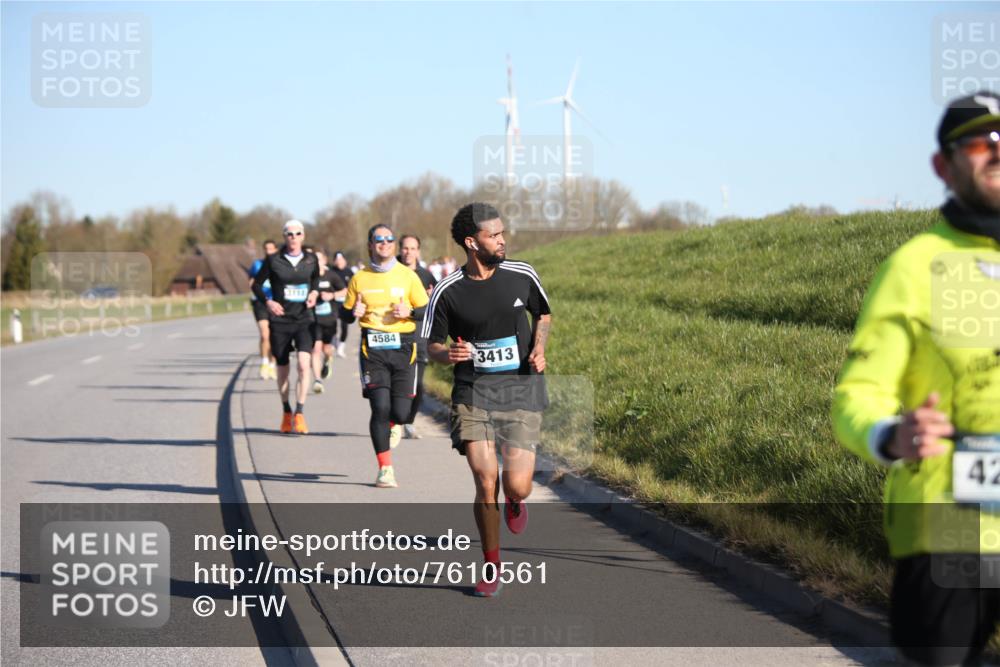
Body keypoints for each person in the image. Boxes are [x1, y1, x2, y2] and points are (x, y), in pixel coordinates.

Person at [832, 92, 1000, 666]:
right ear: (943, 166)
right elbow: (857, 394)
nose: (997, 152)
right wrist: (889, 433)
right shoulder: (913, 267)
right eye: (980, 142)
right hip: (948, 521)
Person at [425, 202, 551, 597]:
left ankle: (515, 502)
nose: (502, 240)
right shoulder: (448, 291)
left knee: (517, 486)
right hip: (472, 393)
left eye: (502, 233)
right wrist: (449, 355)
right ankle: (492, 564)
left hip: (519, 389)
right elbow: (432, 345)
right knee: (485, 480)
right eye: (494, 235)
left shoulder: (522, 274)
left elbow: (543, 315)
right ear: (471, 242)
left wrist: (539, 347)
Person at [342, 225, 429, 488]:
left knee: (401, 413)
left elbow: (427, 310)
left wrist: (410, 312)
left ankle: (395, 423)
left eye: (389, 239)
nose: (384, 243)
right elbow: (344, 314)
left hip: (404, 347)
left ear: (393, 244)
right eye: (378, 239)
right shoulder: (359, 278)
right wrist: (352, 313)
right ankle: (385, 469)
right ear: (370, 245)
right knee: (379, 407)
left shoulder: (408, 276)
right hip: (373, 349)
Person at [252, 220, 320, 435]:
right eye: (289, 234)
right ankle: (286, 411)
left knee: (303, 364)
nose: (293, 237)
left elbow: (316, 280)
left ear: (303, 236)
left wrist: (314, 293)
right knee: (283, 368)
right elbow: (256, 284)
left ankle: (300, 412)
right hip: (280, 321)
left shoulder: (311, 259)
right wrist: (269, 302)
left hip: (304, 319)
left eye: (297, 233)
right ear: (284, 236)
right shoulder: (273, 260)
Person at [398, 234, 438, 438]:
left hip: (420, 335)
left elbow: (438, 303)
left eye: (413, 248)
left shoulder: (427, 276)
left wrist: (432, 299)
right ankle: (395, 418)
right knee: (398, 380)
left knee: (418, 383)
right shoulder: (391, 273)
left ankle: (409, 422)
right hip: (395, 335)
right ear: (400, 249)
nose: (408, 252)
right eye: (405, 248)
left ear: (418, 251)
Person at [310, 250, 347, 394]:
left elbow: (345, 290)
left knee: (327, 349)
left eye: (318, 260)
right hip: (313, 319)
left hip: (330, 318)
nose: (316, 263)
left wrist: (332, 295)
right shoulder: (308, 276)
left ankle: (327, 360)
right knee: (316, 348)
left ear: (324, 261)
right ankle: (318, 380)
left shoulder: (331, 275)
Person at [249, 239, 279, 379]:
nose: (268, 252)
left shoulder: (280, 265)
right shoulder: (257, 265)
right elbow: (251, 283)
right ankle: (264, 362)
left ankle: (272, 364)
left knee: (275, 337)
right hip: (261, 303)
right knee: (264, 334)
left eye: (271, 249)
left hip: (277, 303)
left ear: (276, 250)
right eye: (266, 249)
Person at [330, 251, 355, 358]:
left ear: (344, 260)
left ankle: (341, 347)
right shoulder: (331, 271)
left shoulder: (349, 272)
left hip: (346, 302)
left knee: (344, 326)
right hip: (334, 302)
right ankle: (334, 340)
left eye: (341, 260)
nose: (339, 262)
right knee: (332, 324)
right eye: (337, 260)